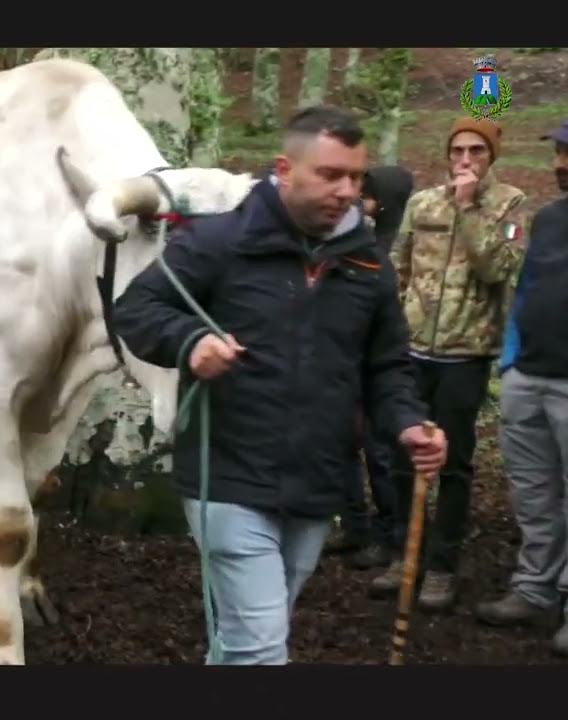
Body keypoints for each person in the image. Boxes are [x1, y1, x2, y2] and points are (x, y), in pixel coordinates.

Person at [112, 105, 446, 665]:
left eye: (356, 177)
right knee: (262, 647)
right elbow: (137, 309)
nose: (346, 191)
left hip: (317, 481)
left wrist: (409, 422)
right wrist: (191, 342)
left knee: (246, 637)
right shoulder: (219, 241)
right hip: (227, 478)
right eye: (330, 175)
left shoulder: (367, 266)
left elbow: (386, 367)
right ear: (285, 170)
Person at [370, 117, 530, 611]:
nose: (465, 160)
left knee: (454, 462)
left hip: (466, 353)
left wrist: (469, 208)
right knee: (402, 454)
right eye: (458, 150)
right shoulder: (423, 203)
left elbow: (498, 268)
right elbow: (399, 266)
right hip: (414, 349)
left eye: (476, 151)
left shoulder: (511, 205)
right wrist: (393, 328)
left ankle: (442, 566)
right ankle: (403, 553)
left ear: (491, 156)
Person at [474, 119, 568, 656]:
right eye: (558, 153)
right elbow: (527, 288)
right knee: (534, 494)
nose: (560, 164)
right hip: (528, 377)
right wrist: (510, 360)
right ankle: (534, 590)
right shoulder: (549, 219)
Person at [332, 165, 417, 569]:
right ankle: (355, 525)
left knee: (378, 453)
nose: (357, 200)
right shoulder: (356, 237)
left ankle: (387, 533)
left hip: (374, 365)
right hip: (345, 359)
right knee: (344, 446)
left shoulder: (387, 248)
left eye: (367, 195)